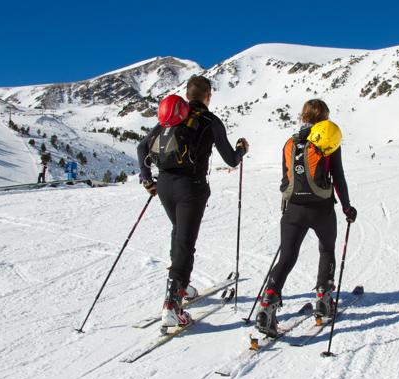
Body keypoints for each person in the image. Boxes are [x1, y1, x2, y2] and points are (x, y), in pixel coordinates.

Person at [137, 75, 249, 328]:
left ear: (187, 95)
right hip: (192, 188)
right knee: (186, 241)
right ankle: (172, 305)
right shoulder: (209, 120)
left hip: (164, 186)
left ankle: (182, 286)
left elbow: (142, 147)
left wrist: (147, 179)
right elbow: (231, 159)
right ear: (208, 95)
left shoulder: (171, 117)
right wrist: (242, 149)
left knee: (179, 234)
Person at [255, 99, 356, 337]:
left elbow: (285, 180)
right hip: (321, 209)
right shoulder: (328, 143)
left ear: (303, 117)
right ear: (325, 118)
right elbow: (338, 177)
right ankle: (323, 299)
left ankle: (268, 304)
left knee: (287, 257)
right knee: (326, 250)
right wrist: (347, 207)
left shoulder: (290, 143)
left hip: (294, 210)